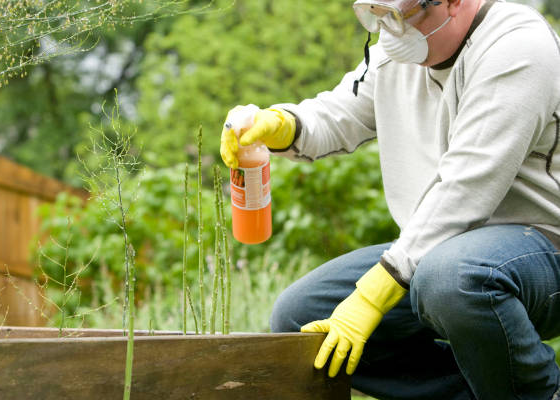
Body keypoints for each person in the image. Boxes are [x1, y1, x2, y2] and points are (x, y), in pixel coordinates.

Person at [219, 0, 560, 398]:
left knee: (450, 279)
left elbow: (466, 187)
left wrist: (371, 296)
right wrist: (280, 125)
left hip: (543, 247)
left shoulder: (516, 46)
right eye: (376, 15)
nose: (388, 30)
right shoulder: (397, 56)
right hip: (440, 250)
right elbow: (337, 114)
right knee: (302, 316)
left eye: (399, 15)